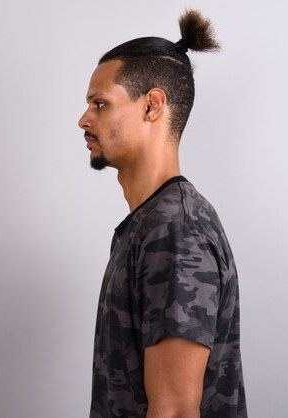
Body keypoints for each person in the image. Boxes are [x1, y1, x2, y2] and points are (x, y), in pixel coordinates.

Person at [78, 10, 247, 418]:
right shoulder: (151, 223)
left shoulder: (175, 230)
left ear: (153, 105)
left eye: (100, 104)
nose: (84, 119)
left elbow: (173, 411)